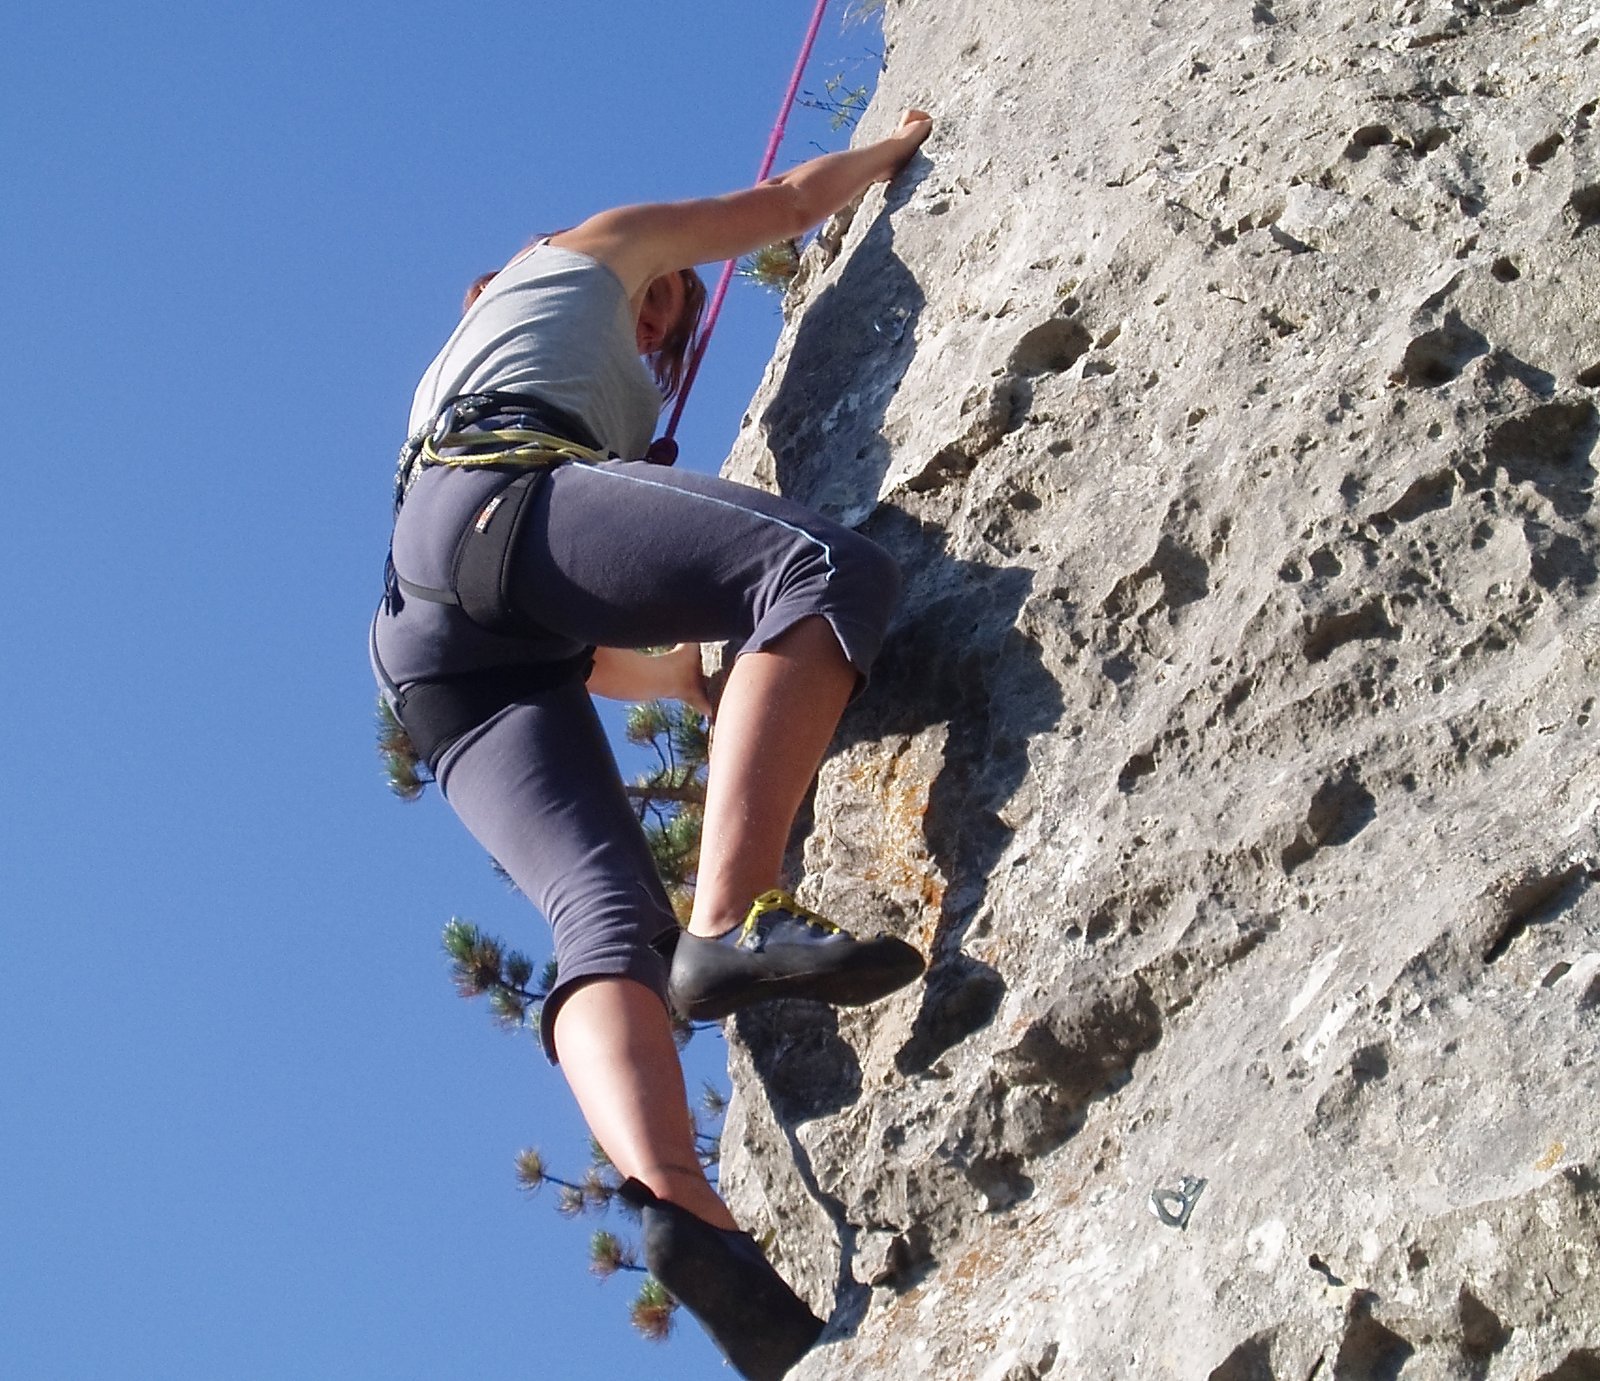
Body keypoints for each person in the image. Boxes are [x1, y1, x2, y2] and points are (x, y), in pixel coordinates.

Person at [371, 110, 934, 1380]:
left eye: (670, 321)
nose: (661, 313)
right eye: (666, 295)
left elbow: (630, 657)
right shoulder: (587, 249)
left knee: (601, 919)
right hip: (497, 508)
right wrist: (898, 140)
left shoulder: (472, 375)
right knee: (820, 567)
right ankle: (730, 923)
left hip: (432, 643)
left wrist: (694, 684)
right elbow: (792, 202)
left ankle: (683, 1212)